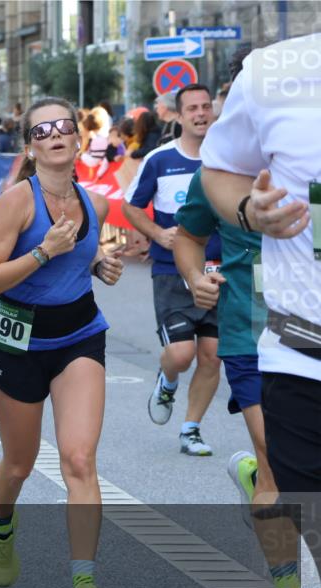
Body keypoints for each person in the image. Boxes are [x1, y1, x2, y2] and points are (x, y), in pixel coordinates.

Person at [0, 97, 123, 588]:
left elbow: (83, 258)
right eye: (43, 130)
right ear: (32, 147)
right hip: (17, 341)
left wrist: (99, 264)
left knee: (80, 460)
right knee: (18, 464)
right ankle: (2, 523)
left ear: (78, 140)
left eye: (64, 127)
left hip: (80, 334)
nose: (56, 135)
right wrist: (43, 253)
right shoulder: (18, 202)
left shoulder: (93, 203)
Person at [199, 33, 320, 588]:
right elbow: (206, 199)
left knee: (273, 475)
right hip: (288, 344)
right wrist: (249, 212)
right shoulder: (275, 75)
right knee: (281, 479)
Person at [122, 83, 222, 456]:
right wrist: (155, 234)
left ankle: (191, 429)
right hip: (171, 271)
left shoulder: (226, 160)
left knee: (212, 355)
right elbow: (132, 205)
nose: (200, 113)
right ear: (178, 116)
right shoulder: (160, 159)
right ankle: (167, 380)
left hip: (219, 271)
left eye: (205, 106)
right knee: (182, 355)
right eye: (192, 108)